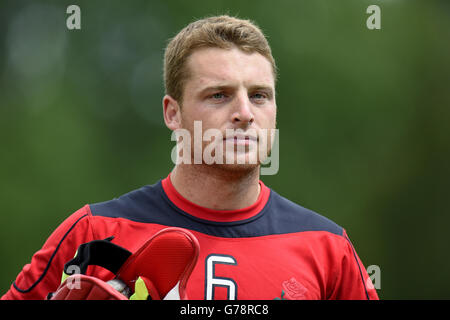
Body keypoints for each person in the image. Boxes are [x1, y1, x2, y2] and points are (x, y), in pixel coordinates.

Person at [2, 15, 378, 300]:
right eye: (219, 95)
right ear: (172, 113)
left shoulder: (328, 248)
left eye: (260, 95)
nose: (245, 113)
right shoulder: (94, 234)